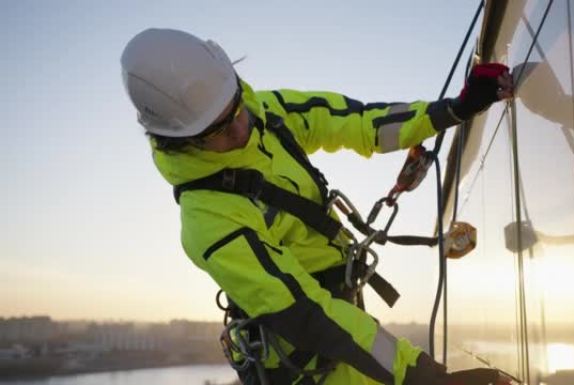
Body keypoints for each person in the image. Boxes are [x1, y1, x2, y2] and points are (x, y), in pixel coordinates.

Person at [121, 28, 514, 385]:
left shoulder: (262, 113)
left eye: (236, 105)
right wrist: (426, 379)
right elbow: (309, 314)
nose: (241, 127)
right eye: (220, 129)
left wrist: (453, 110)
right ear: (181, 141)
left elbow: (358, 122)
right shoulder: (209, 221)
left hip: (342, 321)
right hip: (312, 362)